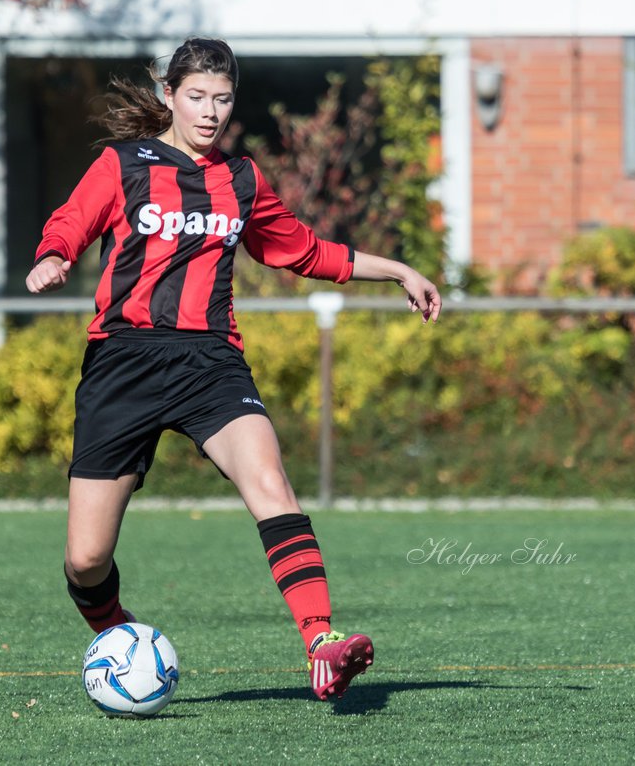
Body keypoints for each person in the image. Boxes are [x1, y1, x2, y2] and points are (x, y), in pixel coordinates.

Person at [27, 37, 442, 702]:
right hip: (123, 361)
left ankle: (321, 644)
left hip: (210, 361)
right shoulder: (123, 164)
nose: (211, 112)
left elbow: (303, 251)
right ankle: (118, 636)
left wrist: (398, 269)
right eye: (198, 97)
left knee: (270, 480)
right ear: (169, 95)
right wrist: (54, 255)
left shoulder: (241, 180)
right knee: (85, 559)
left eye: (223, 99)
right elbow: (72, 222)